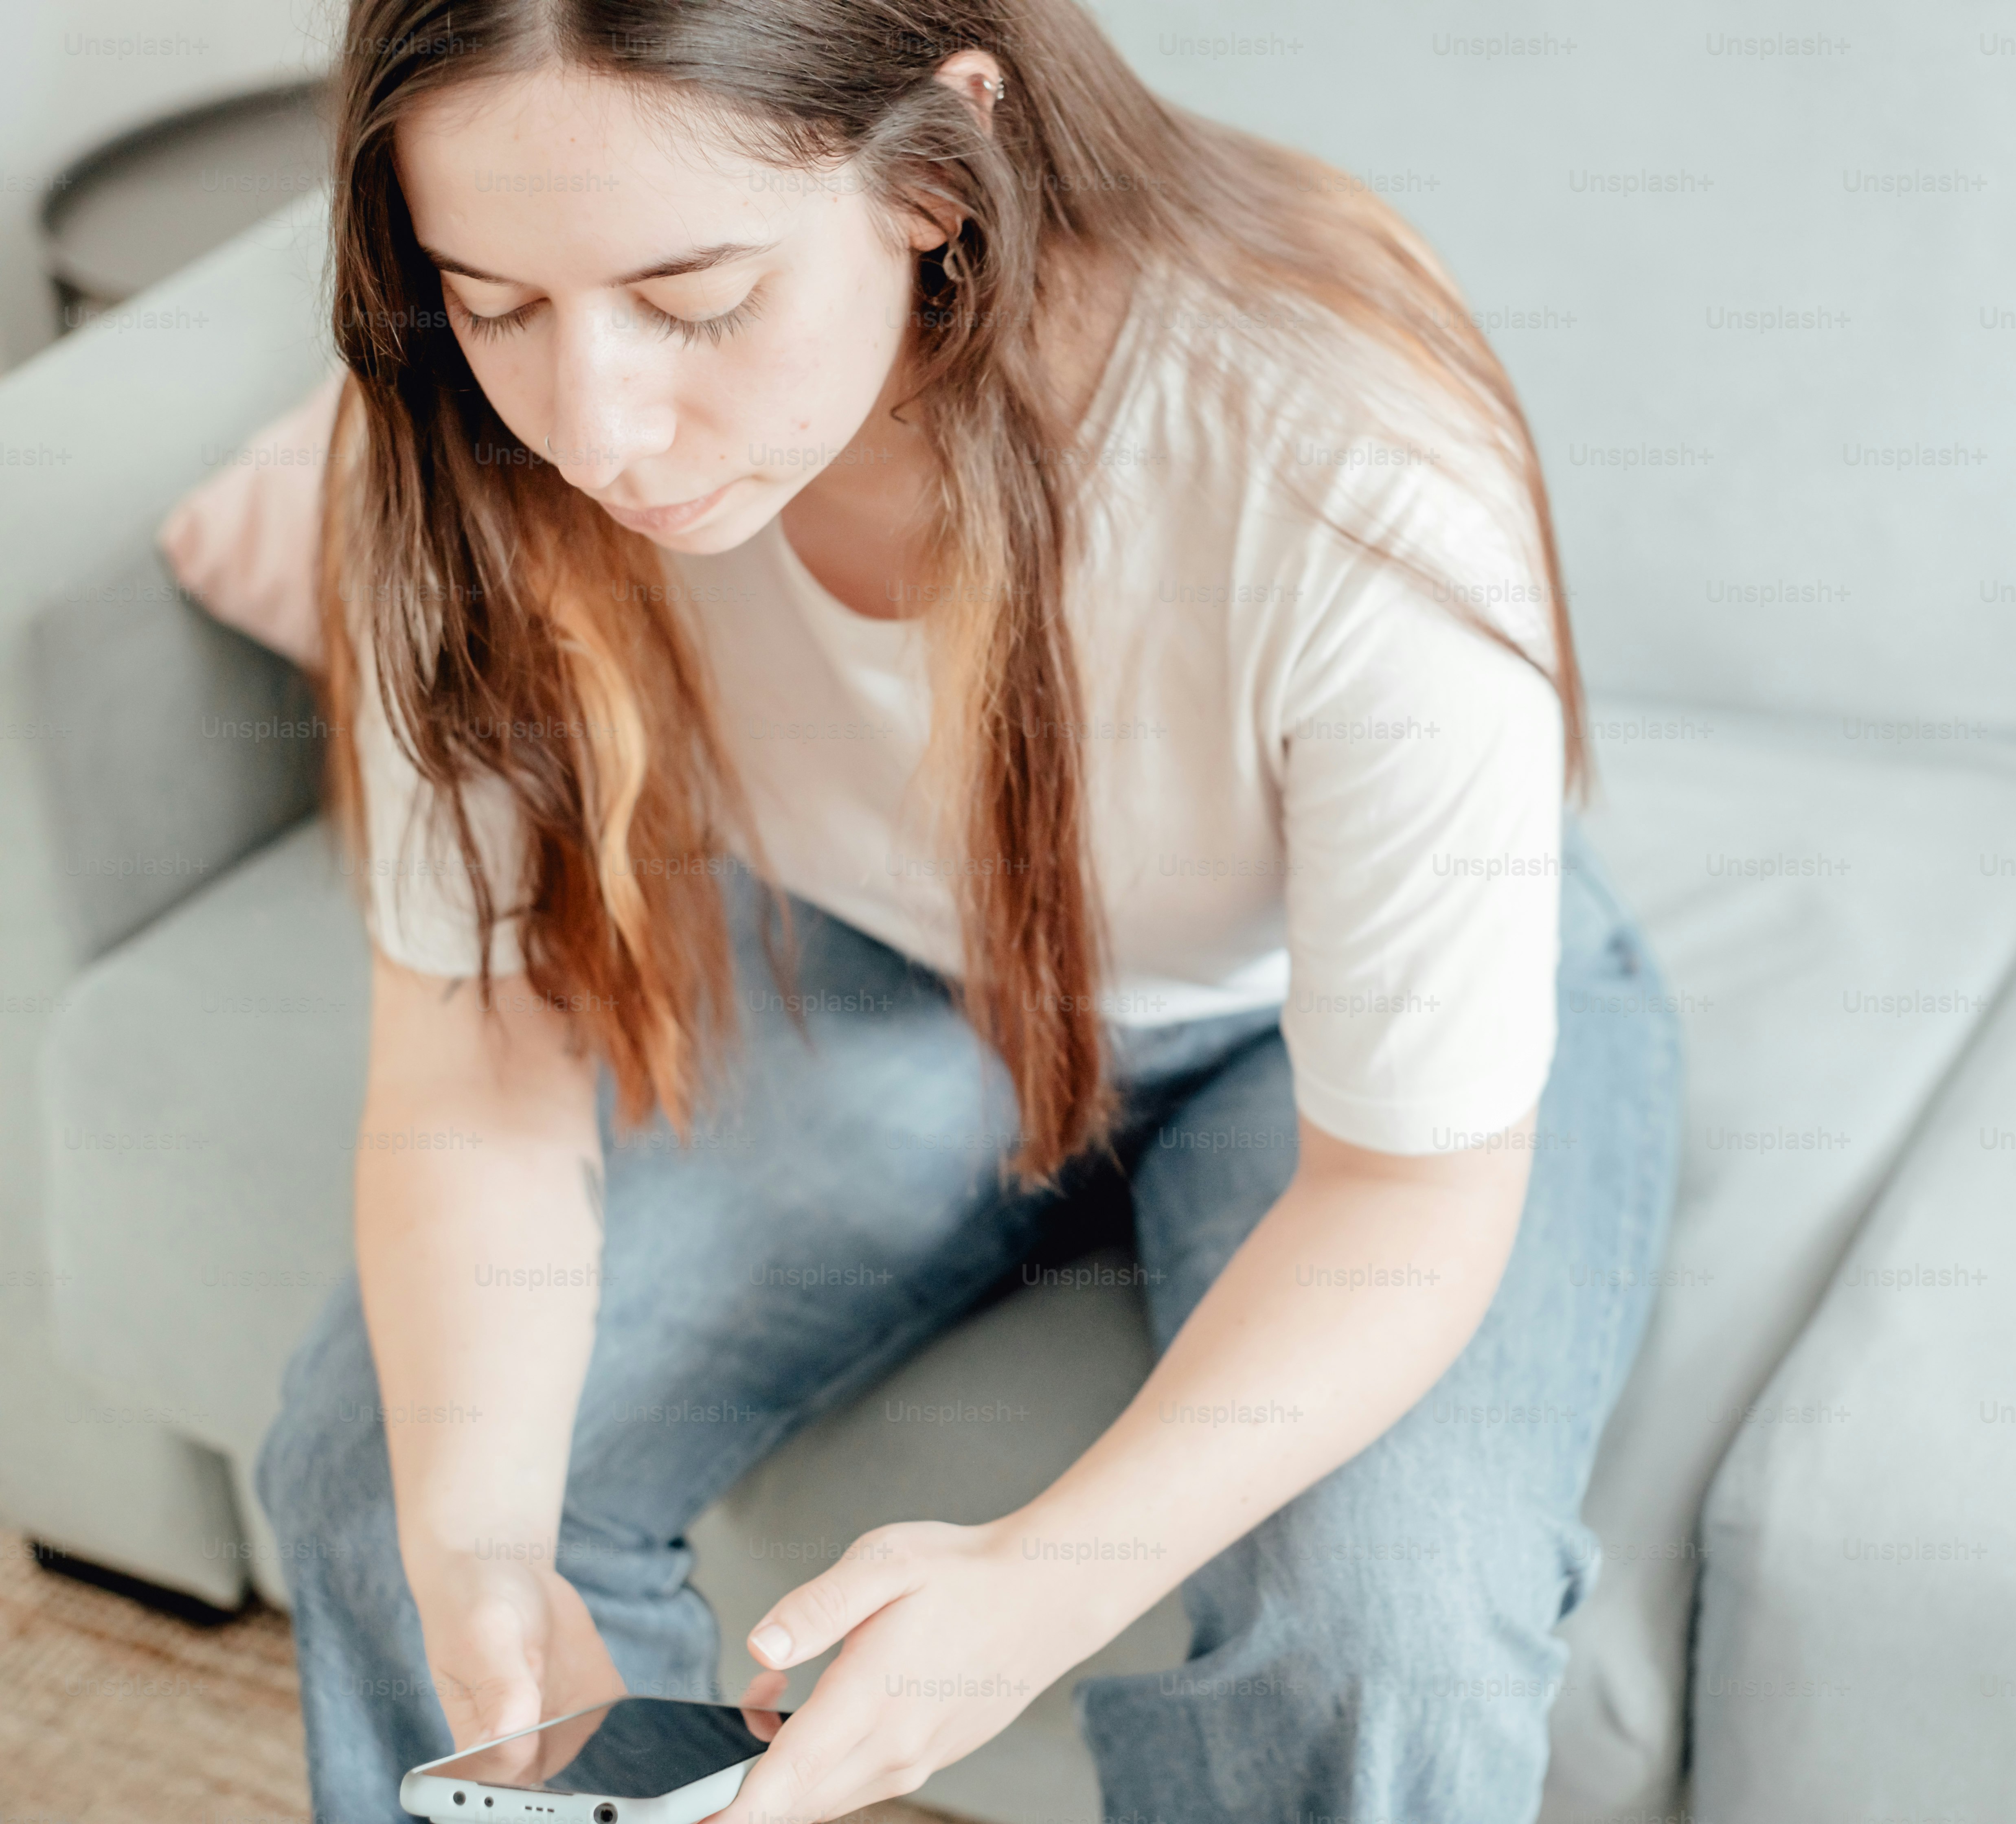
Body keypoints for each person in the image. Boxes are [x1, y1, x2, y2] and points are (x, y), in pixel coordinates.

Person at [234, 2, 1683, 1820]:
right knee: (391, 1492)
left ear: (936, 168)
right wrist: (474, 1549)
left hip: (1316, 997)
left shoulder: (1342, 462)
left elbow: (1408, 1185)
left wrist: (1037, 1593)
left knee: (1389, 1631)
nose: (595, 424)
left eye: (692, 296)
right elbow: (475, 1069)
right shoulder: (457, 449)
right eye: (500, 298)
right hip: (880, 954)